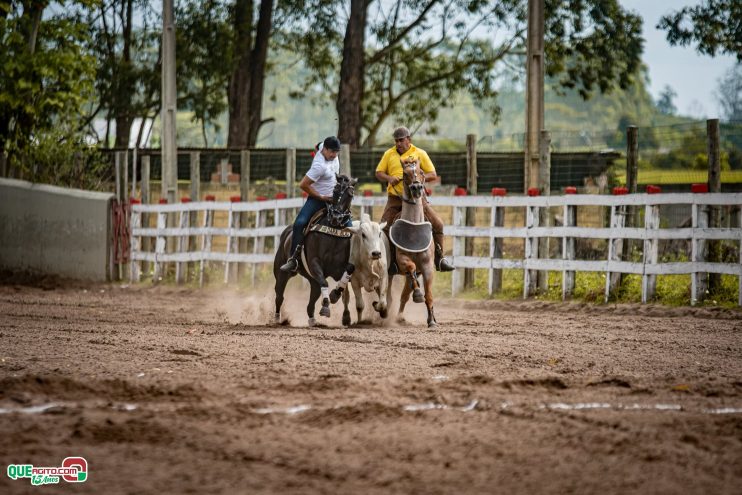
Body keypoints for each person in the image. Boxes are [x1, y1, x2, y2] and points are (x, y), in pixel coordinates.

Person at [375, 126, 454, 273]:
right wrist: (389, 178)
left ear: (408, 139)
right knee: (384, 228)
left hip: (417, 199)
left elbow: (433, 174)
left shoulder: (420, 153)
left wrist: (420, 176)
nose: (398, 143)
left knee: (438, 224)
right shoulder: (388, 154)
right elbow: (379, 172)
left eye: (401, 140)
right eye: (396, 141)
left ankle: (439, 259)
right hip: (395, 200)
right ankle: (391, 261)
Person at [280, 136, 351, 273]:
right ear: (324, 150)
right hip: (318, 199)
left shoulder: (325, 148)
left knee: (350, 227)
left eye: (337, 152)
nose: (334, 155)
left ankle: (352, 257)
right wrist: (321, 197)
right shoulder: (319, 166)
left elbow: (317, 144)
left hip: (334, 199)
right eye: (332, 152)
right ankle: (293, 259)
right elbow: (303, 184)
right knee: (299, 223)